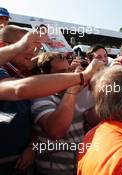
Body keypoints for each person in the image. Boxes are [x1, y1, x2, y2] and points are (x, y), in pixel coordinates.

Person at [0, 27, 104, 174]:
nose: (34, 50)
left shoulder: (22, 72)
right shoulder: (37, 90)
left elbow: (29, 121)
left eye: (37, 46)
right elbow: (20, 89)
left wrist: (31, 146)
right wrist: (81, 78)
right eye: (27, 45)